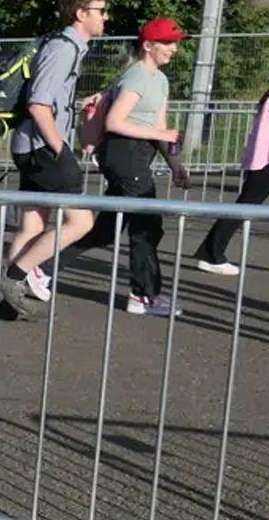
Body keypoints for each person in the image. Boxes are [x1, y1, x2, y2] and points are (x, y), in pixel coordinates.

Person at [0, 0, 106, 318]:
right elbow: (39, 103)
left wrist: (76, 105)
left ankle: (9, 306)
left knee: (31, 226)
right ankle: (16, 277)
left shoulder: (64, 46)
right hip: (43, 148)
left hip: (31, 146)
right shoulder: (63, 49)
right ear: (81, 14)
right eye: (100, 10)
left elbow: (49, 98)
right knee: (81, 221)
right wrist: (61, 148)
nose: (105, 17)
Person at [74, 18, 191, 316]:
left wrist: (175, 164)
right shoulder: (137, 75)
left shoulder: (160, 79)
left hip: (138, 157)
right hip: (124, 155)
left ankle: (40, 267)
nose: (173, 48)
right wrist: (159, 135)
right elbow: (115, 121)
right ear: (148, 45)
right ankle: (143, 296)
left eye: (175, 42)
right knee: (146, 226)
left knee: (105, 229)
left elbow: (160, 125)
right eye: (167, 42)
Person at [192, 87, 269, 275]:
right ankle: (211, 252)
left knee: (244, 207)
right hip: (265, 164)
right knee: (244, 207)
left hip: (263, 162)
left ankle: (211, 251)